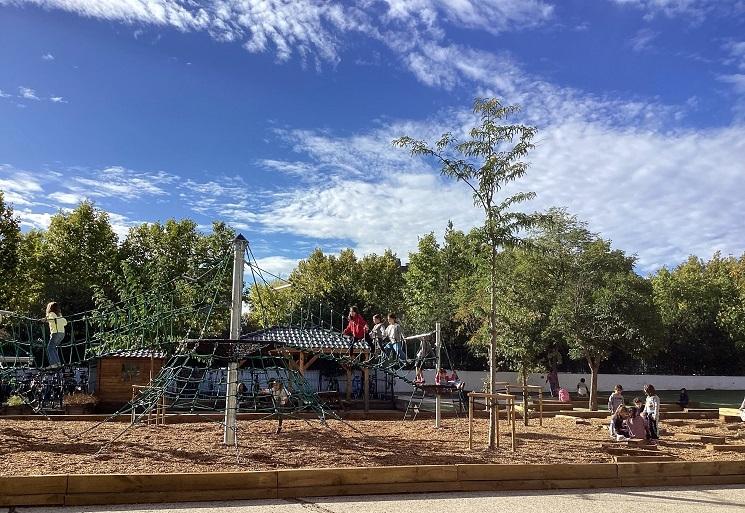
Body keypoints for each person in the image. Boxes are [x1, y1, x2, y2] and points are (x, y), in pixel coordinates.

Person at [44, 302, 67, 370]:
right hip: (62, 333)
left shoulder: (51, 314)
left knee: (50, 348)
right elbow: (65, 322)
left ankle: (54, 364)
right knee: (53, 348)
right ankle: (58, 363)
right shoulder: (59, 315)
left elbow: (49, 319)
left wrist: (43, 320)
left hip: (56, 333)